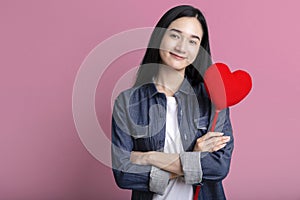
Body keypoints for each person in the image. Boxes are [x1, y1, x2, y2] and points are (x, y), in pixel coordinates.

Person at [111, 5, 234, 200]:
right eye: (175, 36)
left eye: (193, 41)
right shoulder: (127, 102)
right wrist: (194, 159)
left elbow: (218, 167)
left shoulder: (213, 97)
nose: (182, 48)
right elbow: (124, 174)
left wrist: (147, 157)